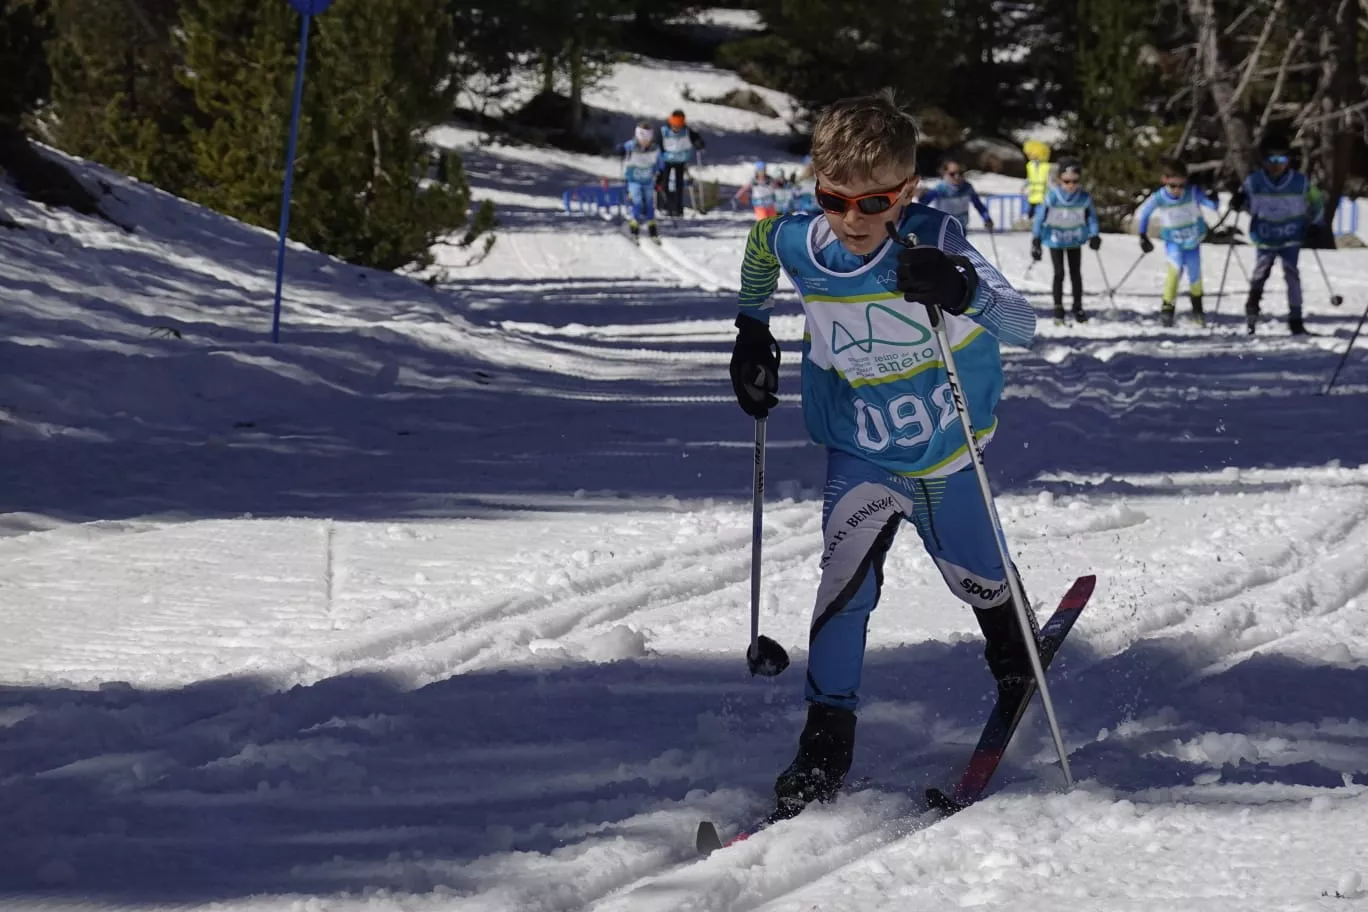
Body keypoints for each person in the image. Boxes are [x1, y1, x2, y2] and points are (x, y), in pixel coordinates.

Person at [727, 91, 1037, 824]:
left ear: (907, 192)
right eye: (834, 199)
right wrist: (750, 329)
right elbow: (760, 248)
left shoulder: (935, 241)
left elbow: (1023, 324)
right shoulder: (801, 239)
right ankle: (824, 742)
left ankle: (1016, 658)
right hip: (860, 448)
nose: (853, 220)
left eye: (873, 202)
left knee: (977, 578)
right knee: (842, 590)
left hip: (942, 451)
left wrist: (960, 289)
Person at [1230, 141, 1326, 335]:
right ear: (1264, 161)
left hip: (1291, 236)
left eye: (1281, 159)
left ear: (1288, 160)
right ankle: (1252, 311)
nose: (1276, 164)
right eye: (1271, 159)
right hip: (1265, 237)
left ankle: (1296, 320)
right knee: (1260, 275)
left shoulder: (1300, 181)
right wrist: (1237, 202)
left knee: (1292, 275)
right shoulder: (1254, 181)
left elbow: (1317, 201)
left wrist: (1316, 225)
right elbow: (1243, 202)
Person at [1134, 160, 1219, 327]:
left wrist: (1213, 196)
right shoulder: (1160, 197)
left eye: (1181, 185)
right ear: (1164, 180)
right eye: (1173, 186)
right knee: (1174, 273)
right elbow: (1144, 214)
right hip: (1174, 242)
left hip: (1193, 241)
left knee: (1195, 276)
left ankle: (1197, 312)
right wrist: (1143, 235)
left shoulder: (1193, 193)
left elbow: (1212, 205)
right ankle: (1167, 311)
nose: (1177, 190)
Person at [1030, 160, 1100, 323]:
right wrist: (1036, 239)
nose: (1071, 185)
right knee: (1059, 273)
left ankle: (1078, 306)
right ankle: (1058, 308)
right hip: (1055, 239)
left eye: (1075, 181)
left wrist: (1094, 235)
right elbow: (1040, 218)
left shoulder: (1083, 197)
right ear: (1060, 180)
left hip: (1074, 239)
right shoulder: (1053, 197)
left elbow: (1092, 218)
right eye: (1066, 181)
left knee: (1075, 273)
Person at [918, 159, 993, 233]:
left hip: (961, 228)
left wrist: (987, 218)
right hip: (944, 229)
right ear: (945, 173)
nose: (957, 177)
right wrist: (920, 195)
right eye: (952, 174)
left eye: (960, 173)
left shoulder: (967, 188)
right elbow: (924, 202)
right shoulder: (941, 188)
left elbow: (978, 204)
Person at [656, 109, 706, 217]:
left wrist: (699, 143)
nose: (676, 128)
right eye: (674, 125)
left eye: (678, 126)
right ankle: (665, 206)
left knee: (679, 185)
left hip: (681, 161)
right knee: (665, 183)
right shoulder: (663, 131)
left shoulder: (687, 131)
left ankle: (678, 208)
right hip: (666, 161)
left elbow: (697, 139)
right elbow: (657, 142)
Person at [621, 121, 664, 243]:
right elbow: (622, 148)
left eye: (647, 139)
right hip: (634, 181)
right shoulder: (631, 146)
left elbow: (660, 163)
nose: (644, 142)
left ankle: (652, 227)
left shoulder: (655, 149)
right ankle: (634, 226)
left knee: (650, 203)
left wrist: (660, 176)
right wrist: (619, 150)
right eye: (642, 139)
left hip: (648, 180)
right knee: (637, 203)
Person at [1022, 140, 1052, 219]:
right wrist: (1023, 187)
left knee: (1044, 213)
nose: (1029, 155)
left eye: (1030, 153)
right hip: (1032, 194)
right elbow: (1029, 178)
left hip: (1044, 195)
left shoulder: (1046, 166)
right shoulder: (1029, 165)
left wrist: (1051, 191)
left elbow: (1049, 180)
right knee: (1030, 213)